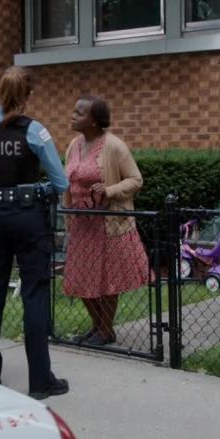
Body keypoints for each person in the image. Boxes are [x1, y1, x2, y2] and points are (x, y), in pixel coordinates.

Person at [0, 66, 70, 401]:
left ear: (0, 93)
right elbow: (61, 182)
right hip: (28, 218)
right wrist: (36, 189)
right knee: (34, 295)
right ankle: (40, 381)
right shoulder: (34, 131)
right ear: (28, 95)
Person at [63, 94, 149, 346]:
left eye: (79, 113)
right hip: (82, 224)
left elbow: (136, 179)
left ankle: (105, 330)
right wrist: (67, 213)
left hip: (108, 224)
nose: (73, 116)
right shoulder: (74, 145)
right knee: (80, 277)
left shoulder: (114, 146)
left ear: (94, 120)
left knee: (108, 279)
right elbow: (68, 183)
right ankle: (98, 326)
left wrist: (109, 191)